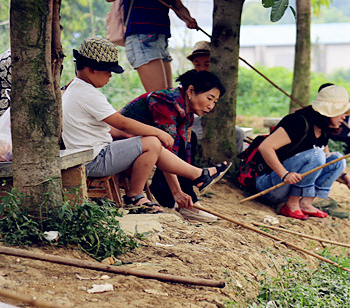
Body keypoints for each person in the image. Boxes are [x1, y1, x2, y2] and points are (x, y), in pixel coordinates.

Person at [62, 37, 229, 214]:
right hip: (94, 158)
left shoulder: (77, 88)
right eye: (108, 71)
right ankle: (135, 195)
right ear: (92, 69)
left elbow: (112, 128)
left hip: (97, 152)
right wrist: (157, 133)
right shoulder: (88, 94)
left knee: (152, 143)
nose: (111, 76)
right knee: (152, 142)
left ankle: (198, 175)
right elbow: (122, 123)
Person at [121, 69, 227, 222]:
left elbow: (179, 150)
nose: (211, 106)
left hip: (145, 146)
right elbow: (166, 149)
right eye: (209, 98)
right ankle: (183, 190)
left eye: (215, 102)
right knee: (172, 141)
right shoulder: (166, 102)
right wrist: (176, 191)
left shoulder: (186, 109)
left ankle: (190, 199)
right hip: (121, 144)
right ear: (191, 90)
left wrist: (183, 191)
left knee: (189, 140)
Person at [255, 85, 350, 220]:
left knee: (338, 159)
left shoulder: (323, 129)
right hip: (270, 186)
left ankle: (305, 203)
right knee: (316, 155)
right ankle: (291, 205)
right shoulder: (298, 122)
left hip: (288, 187)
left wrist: (346, 178)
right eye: (342, 112)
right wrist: (284, 174)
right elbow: (265, 147)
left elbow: (328, 161)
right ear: (329, 112)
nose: (344, 117)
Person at [185, 40, 246, 154]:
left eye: (206, 64)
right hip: (193, 121)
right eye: (197, 64)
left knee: (239, 133)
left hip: (216, 123)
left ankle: (236, 166)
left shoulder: (219, 81)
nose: (202, 68)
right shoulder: (188, 80)